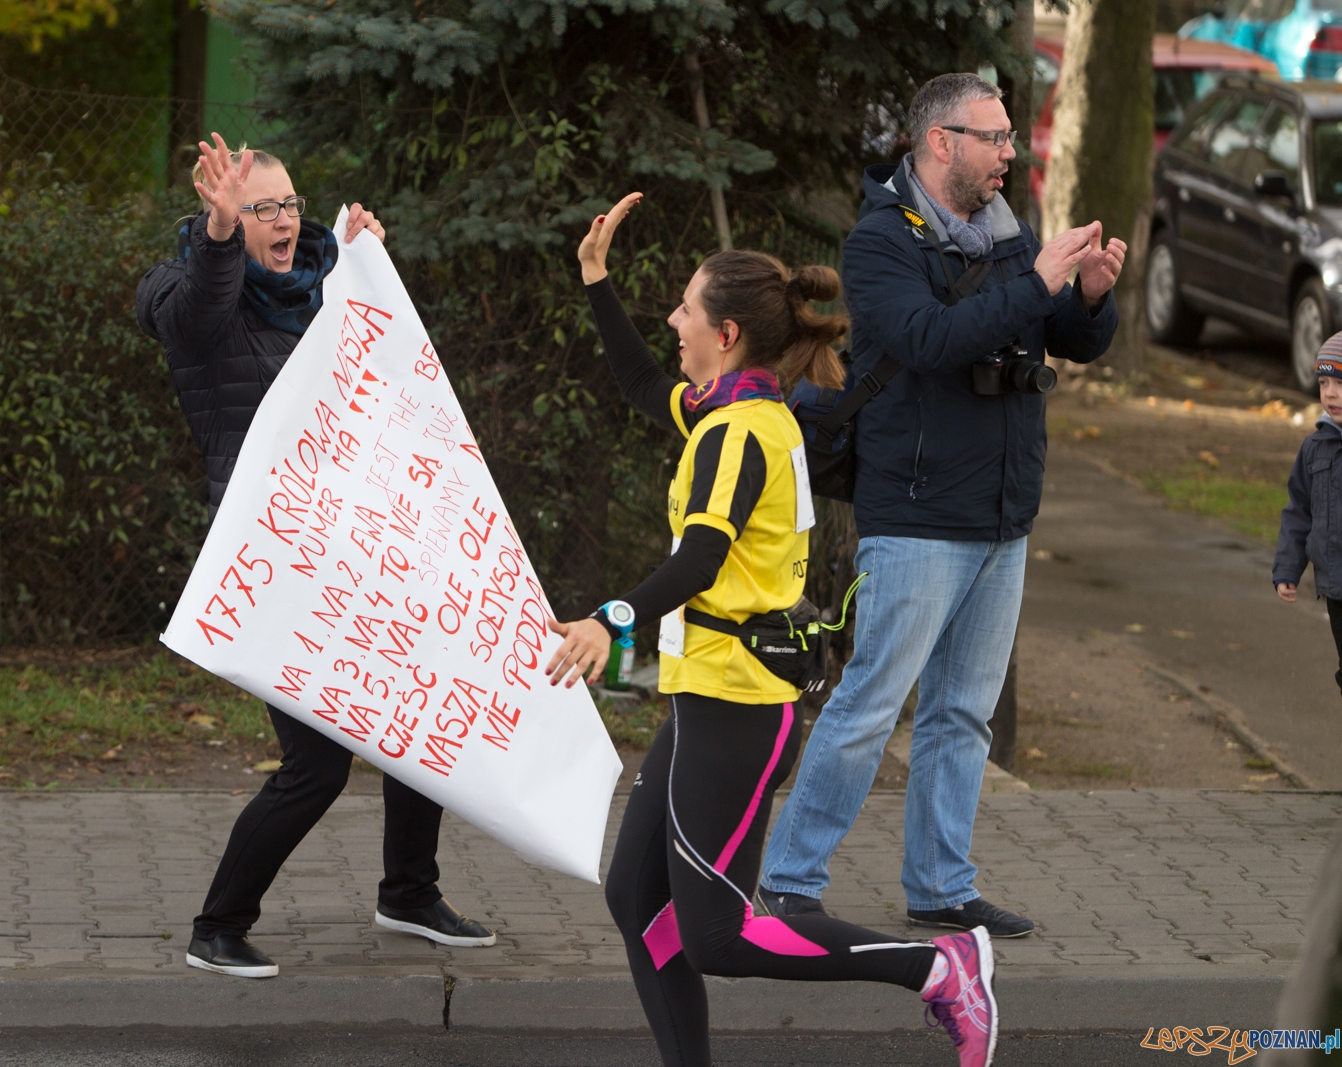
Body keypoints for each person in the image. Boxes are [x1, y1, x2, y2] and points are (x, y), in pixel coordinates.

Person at [545, 191, 1000, 1067]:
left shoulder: (738, 434)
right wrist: (596, 279)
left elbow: (700, 560)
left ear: (724, 334)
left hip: (740, 705)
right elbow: (643, 386)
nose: (672, 321)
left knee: (716, 934)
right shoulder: (738, 408)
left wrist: (611, 620)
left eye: (685, 308)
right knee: (636, 899)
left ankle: (939, 968)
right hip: (712, 695)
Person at [757, 72, 1125, 939]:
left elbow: (1063, 339)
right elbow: (928, 339)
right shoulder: (880, 241)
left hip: (1003, 512)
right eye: (994, 138)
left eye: (1010, 139)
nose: (1009, 154)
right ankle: (788, 877)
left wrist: (1088, 295)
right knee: (870, 703)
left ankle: (940, 884)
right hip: (918, 513)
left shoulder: (1005, 232)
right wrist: (1037, 282)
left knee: (962, 714)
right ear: (940, 142)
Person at [136, 133, 495, 979]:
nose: (284, 221)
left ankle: (409, 892)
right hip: (276, 565)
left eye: (290, 204)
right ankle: (217, 926)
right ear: (226, 216)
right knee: (317, 765)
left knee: (412, 719)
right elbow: (198, 311)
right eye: (261, 209)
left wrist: (366, 265)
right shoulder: (187, 293)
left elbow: (383, 377)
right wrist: (219, 236)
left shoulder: (323, 285)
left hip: (358, 550)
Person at [1274, 334, 1342, 694]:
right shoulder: (1315, 447)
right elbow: (1299, 511)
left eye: (1340, 384)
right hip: (1336, 587)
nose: (1330, 394)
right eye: (1324, 383)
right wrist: (1288, 568)